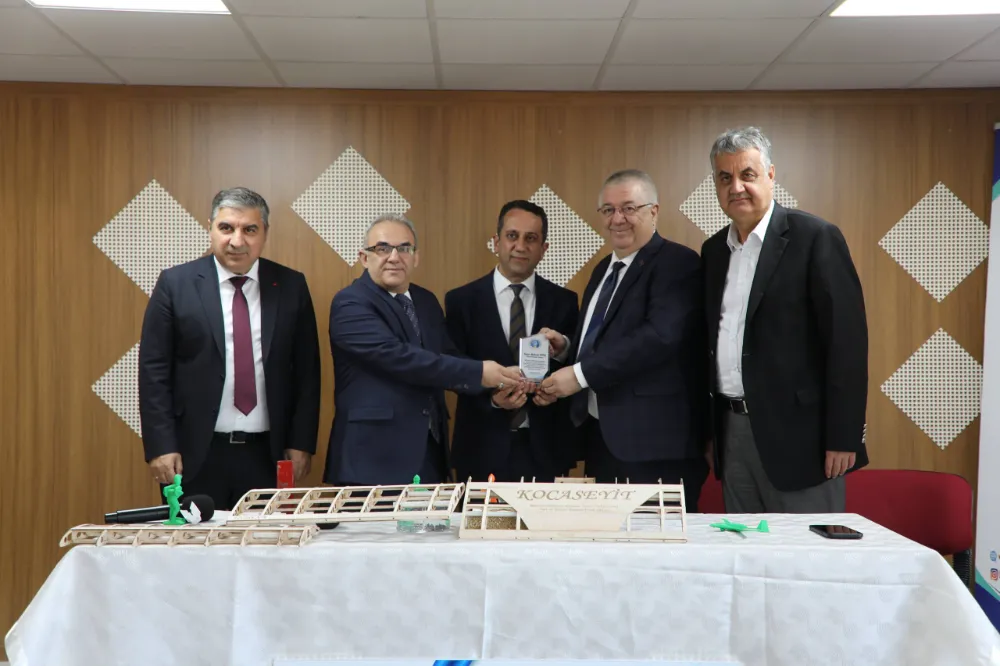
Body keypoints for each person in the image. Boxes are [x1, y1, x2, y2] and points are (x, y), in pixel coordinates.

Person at [701, 126, 868, 513]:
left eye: (747, 174)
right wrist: (710, 434)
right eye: (725, 178)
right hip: (731, 429)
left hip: (802, 436)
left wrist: (844, 436)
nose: (736, 187)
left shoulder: (815, 237)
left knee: (806, 546)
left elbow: (847, 345)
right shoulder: (713, 251)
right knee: (744, 544)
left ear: (771, 175)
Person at [139, 187, 321, 510]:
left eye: (249, 230)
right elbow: (154, 373)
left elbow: (307, 373)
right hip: (194, 456)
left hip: (268, 455)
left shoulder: (291, 286)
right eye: (226, 228)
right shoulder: (175, 285)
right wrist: (160, 446)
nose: (237, 241)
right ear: (210, 227)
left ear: (265, 233)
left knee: (265, 542)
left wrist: (301, 442)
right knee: (195, 542)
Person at [537, 170, 710, 508]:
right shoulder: (603, 268)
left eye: (629, 208)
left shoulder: (678, 263)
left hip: (655, 447)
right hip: (602, 437)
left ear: (654, 211)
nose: (617, 219)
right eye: (608, 210)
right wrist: (568, 348)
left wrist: (579, 374)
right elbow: (607, 339)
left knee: (654, 538)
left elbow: (658, 338)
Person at [323, 214, 524, 486]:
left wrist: (495, 391)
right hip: (372, 460)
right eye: (382, 248)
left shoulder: (426, 301)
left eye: (404, 248)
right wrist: (480, 372)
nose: (394, 257)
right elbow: (400, 358)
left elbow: (448, 356)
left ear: (415, 257)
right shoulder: (350, 303)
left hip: (429, 454)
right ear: (364, 258)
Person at [445, 200, 579, 482]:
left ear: (544, 249)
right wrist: (493, 400)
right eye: (512, 236)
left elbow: (577, 362)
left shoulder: (565, 302)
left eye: (531, 238)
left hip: (547, 449)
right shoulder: (461, 301)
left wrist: (563, 351)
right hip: (480, 445)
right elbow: (453, 369)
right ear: (496, 242)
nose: (520, 246)